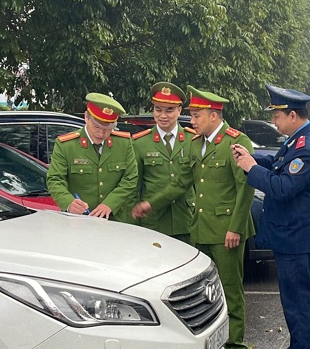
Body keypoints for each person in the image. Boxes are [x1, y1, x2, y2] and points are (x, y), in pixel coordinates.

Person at [231, 85, 310, 349]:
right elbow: (277, 162)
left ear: (293, 114)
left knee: (300, 303)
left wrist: (249, 168)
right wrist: (254, 156)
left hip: (299, 240)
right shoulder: (297, 140)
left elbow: (282, 187)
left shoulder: (307, 149)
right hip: (294, 237)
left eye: (277, 114)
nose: (274, 120)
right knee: (292, 301)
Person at [186, 85, 255, 349]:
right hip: (200, 230)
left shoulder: (237, 142)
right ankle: (207, 347)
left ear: (213, 116)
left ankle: (235, 347)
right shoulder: (194, 143)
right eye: (191, 114)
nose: (192, 120)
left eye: (196, 114)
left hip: (226, 231)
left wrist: (235, 228)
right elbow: (188, 184)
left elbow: (246, 188)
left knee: (229, 289)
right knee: (201, 293)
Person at [46, 93, 138, 221]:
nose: (101, 133)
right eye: (96, 127)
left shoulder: (123, 143)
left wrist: (110, 204)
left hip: (116, 220)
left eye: (108, 128)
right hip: (79, 219)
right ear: (86, 117)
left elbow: (131, 178)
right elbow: (55, 179)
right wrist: (68, 202)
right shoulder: (66, 145)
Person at [131, 82, 197, 243]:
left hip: (186, 219)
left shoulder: (193, 139)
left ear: (179, 110)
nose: (163, 115)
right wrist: (133, 223)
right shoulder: (140, 143)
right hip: (153, 221)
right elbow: (133, 186)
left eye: (169, 110)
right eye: (158, 109)